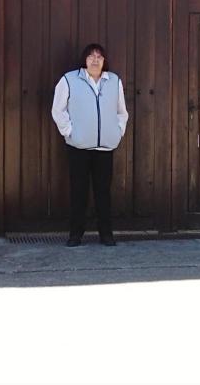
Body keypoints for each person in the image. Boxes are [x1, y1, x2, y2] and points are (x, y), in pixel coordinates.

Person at [51, 43, 128, 247]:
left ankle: (106, 234)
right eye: (91, 56)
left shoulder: (114, 81)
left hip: (105, 147)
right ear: (84, 60)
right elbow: (58, 109)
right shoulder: (69, 80)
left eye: (99, 57)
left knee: (103, 192)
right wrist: (69, 132)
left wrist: (118, 131)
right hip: (79, 147)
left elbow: (122, 111)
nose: (95, 60)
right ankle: (75, 235)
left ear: (104, 61)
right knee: (79, 191)